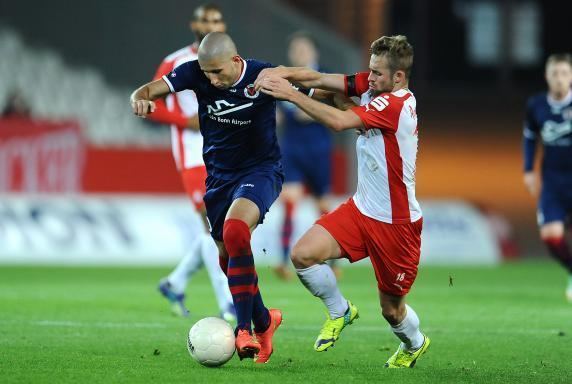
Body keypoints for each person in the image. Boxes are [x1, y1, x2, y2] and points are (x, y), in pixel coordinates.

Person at [130, 32, 316, 363]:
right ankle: (264, 320)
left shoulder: (262, 75)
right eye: (206, 73)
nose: (212, 80)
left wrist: (349, 102)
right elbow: (147, 90)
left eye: (217, 72)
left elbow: (310, 87)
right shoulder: (194, 72)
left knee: (235, 232)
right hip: (218, 179)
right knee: (226, 256)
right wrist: (140, 99)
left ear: (235, 60)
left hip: (261, 172)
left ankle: (243, 329)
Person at [256, 35, 430, 368]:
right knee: (303, 255)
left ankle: (415, 343)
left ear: (399, 77)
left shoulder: (397, 105)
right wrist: (277, 71)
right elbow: (319, 78)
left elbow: (339, 121)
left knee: (391, 310)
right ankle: (340, 311)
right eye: (371, 70)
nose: (370, 77)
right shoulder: (376, 85)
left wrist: (289, 93)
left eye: (378, 73)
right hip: (361, 209)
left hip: (397, 226)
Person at [146, 3, 235, 321]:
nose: (211, 24)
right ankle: (229, 304)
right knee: (215, 227)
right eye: (205, 20)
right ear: (193, 25)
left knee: (216, 226)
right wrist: (186, 121)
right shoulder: (176, 61)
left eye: (217, 19)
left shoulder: (230, 60)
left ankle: (175, 282)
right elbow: (149, 102)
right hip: (192, 153)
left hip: (223, 151)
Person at [274, 31, 338, 281]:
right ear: (291, 54)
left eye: (304, 48)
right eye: (296, 49)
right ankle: (282, 260)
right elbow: (279, 113)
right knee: (289, 201)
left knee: (323, 207)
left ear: (314, 52)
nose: (300, 53)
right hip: (292, 148)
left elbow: (333, 110)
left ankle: (332, 261)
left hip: (319, 150)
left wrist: (304, 108)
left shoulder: (325, 78)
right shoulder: (283, 79)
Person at [523, 53, 572, 301]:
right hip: (552, 181)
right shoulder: (537, 105)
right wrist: (529, 171)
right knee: (551, 236)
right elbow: (530, 138)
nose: (560, 79)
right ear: (547, 76)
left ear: (571, 76)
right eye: (555, 73)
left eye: (564, 73)